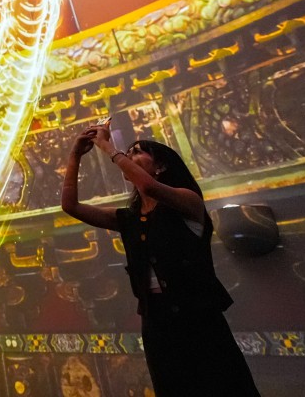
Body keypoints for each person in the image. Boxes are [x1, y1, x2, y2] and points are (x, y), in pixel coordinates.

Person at [60, 121, 260, 396]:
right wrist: (74, 156)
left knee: (221, 385)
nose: (129, 157)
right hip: (157, 322)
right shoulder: (130, 218)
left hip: (197, 316)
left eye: (137, 152)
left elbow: (151, 188)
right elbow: (70, 206)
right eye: (128, 153)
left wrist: (108, 147)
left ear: (162, 166)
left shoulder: (187, 202)